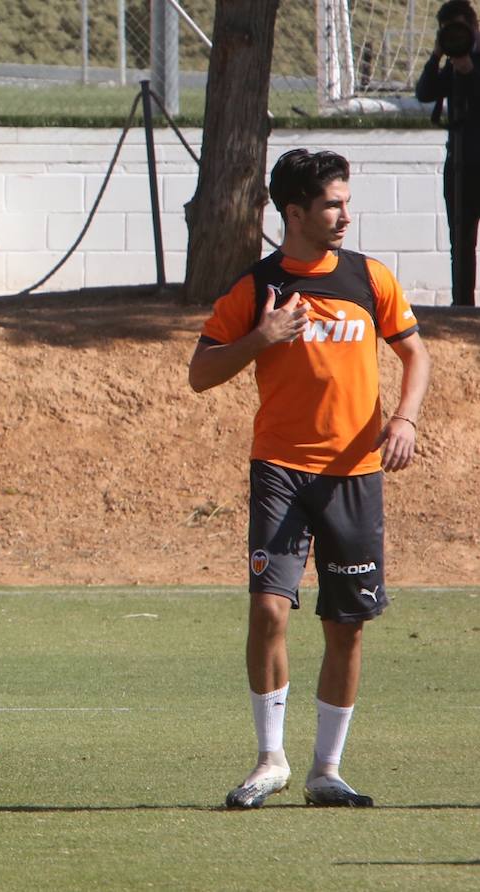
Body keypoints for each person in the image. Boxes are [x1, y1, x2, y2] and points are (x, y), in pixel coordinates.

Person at [189, 149, 431, 809]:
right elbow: (201, 371)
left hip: (355, 475)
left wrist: (404, 420)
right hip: (281, 471)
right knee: (269, 607)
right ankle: (270, 760)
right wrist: (260, 338)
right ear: (294, 212)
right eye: (332, 204)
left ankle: (327, 770)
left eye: (346, 202)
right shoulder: (257, 287)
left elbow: (415, 352)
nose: (345, 215)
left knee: (346, 625)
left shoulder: (369, 278)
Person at [416, 0, 480, 306]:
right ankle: (463, 308)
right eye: (447, 32)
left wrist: (471, 72)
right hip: (459, 166)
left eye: (459, 29)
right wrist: (437, 55)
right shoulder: (450, 65)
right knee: (462, 244)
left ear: (474, 28)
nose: (456, 36)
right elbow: (425, 93)